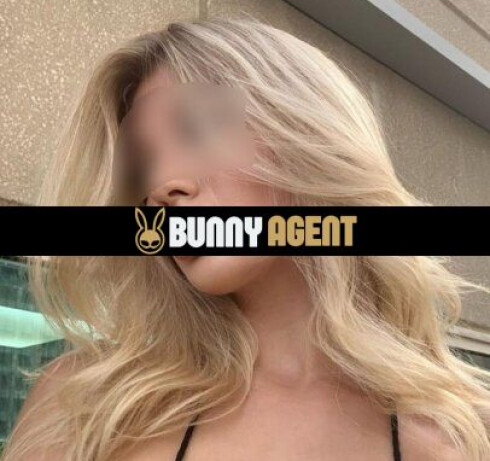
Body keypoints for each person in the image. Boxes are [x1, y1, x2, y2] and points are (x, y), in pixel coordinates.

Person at [3, 16, 490, 461]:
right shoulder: (84, 406)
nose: (161, 185)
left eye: (194, 128)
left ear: (306, 132)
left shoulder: (459, 434)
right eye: (143, 163)